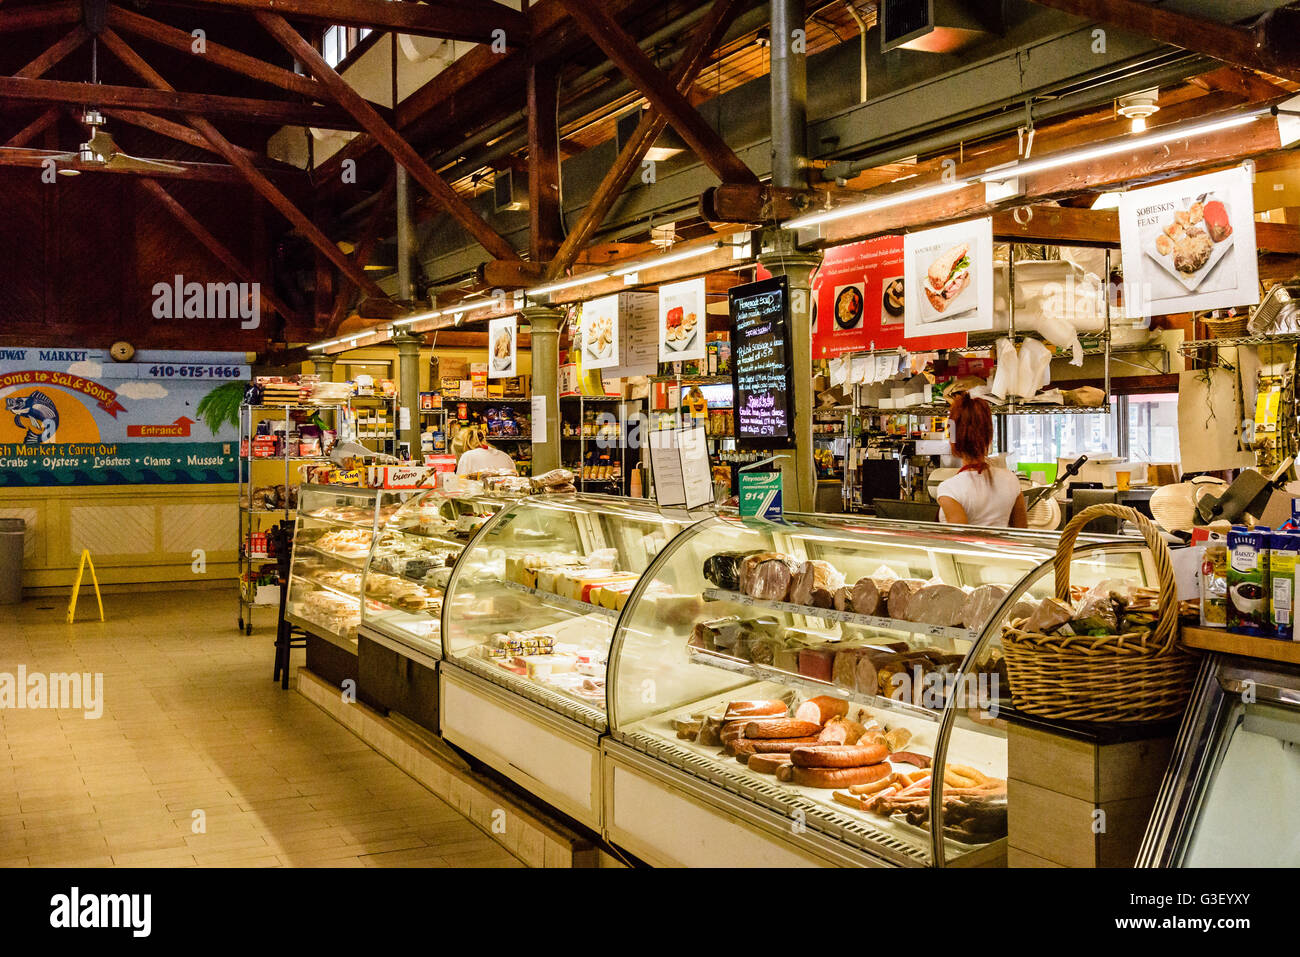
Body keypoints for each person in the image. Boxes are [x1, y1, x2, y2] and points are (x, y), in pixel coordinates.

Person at [935, 393, 1027, 528]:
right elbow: (1022, 533)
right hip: (1002, 549)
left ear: (953, 439)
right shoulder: (1011, 479)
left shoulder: (950, 489)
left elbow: (960, 542)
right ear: (989, 436)